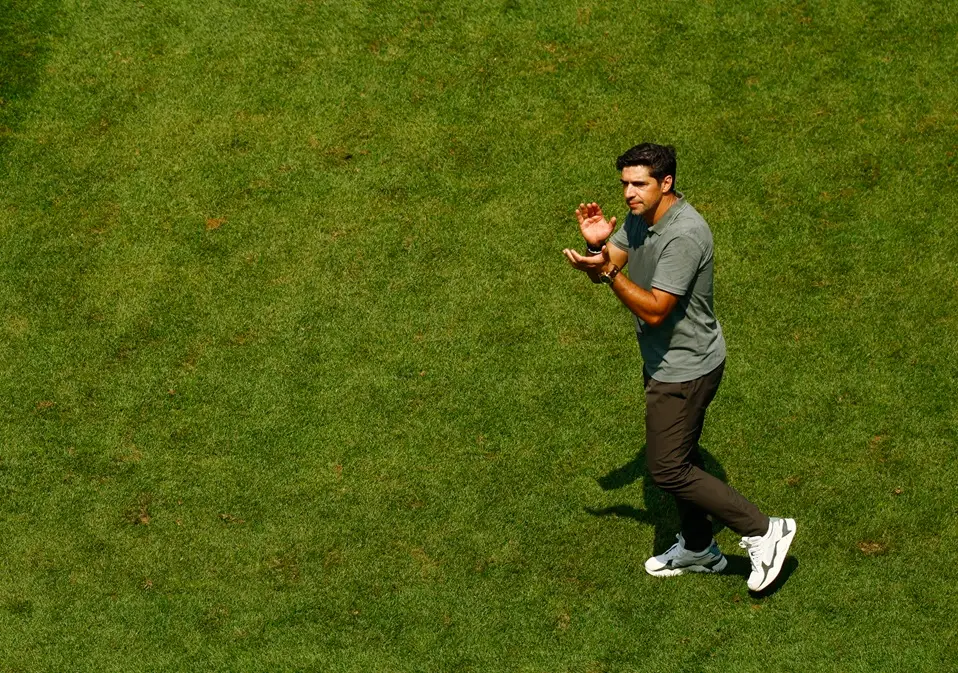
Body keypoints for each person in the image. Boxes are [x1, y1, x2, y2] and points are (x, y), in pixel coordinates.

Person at [562, 143, 796, 592]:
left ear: (666, 182)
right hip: (664, 359)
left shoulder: (685, 234)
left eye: (639, 184)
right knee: (681, 456)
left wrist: (608, 273)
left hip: (685, 368)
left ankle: (765, 530)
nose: (629, 193)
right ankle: (697, 546)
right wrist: (598, 252)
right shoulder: (640, 217)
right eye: (625, 184)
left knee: (668, 468)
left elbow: (653, 310)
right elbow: (612, 266)